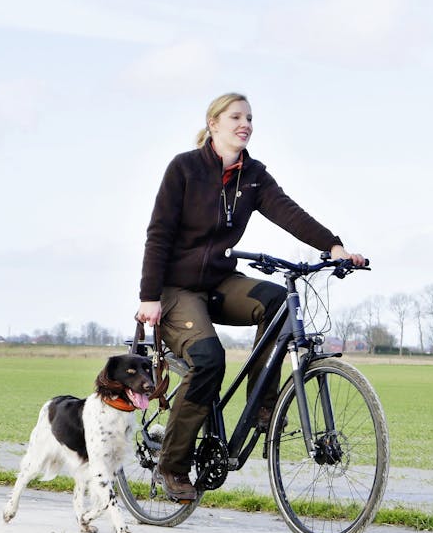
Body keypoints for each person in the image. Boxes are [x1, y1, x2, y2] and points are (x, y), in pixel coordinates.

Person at [136, 92, 365, 501]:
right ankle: (172, 466)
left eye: (250, 118)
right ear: (214, 124)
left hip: (221, 282)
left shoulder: (253, 175)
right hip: (176, 290)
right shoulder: (184, 169)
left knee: (277, 302)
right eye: (236, 117)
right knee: (208, 360)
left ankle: (263, 402)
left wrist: (334, 247)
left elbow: (288, 212)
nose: (245, 124)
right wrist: (149, 296)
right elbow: (159, 234)